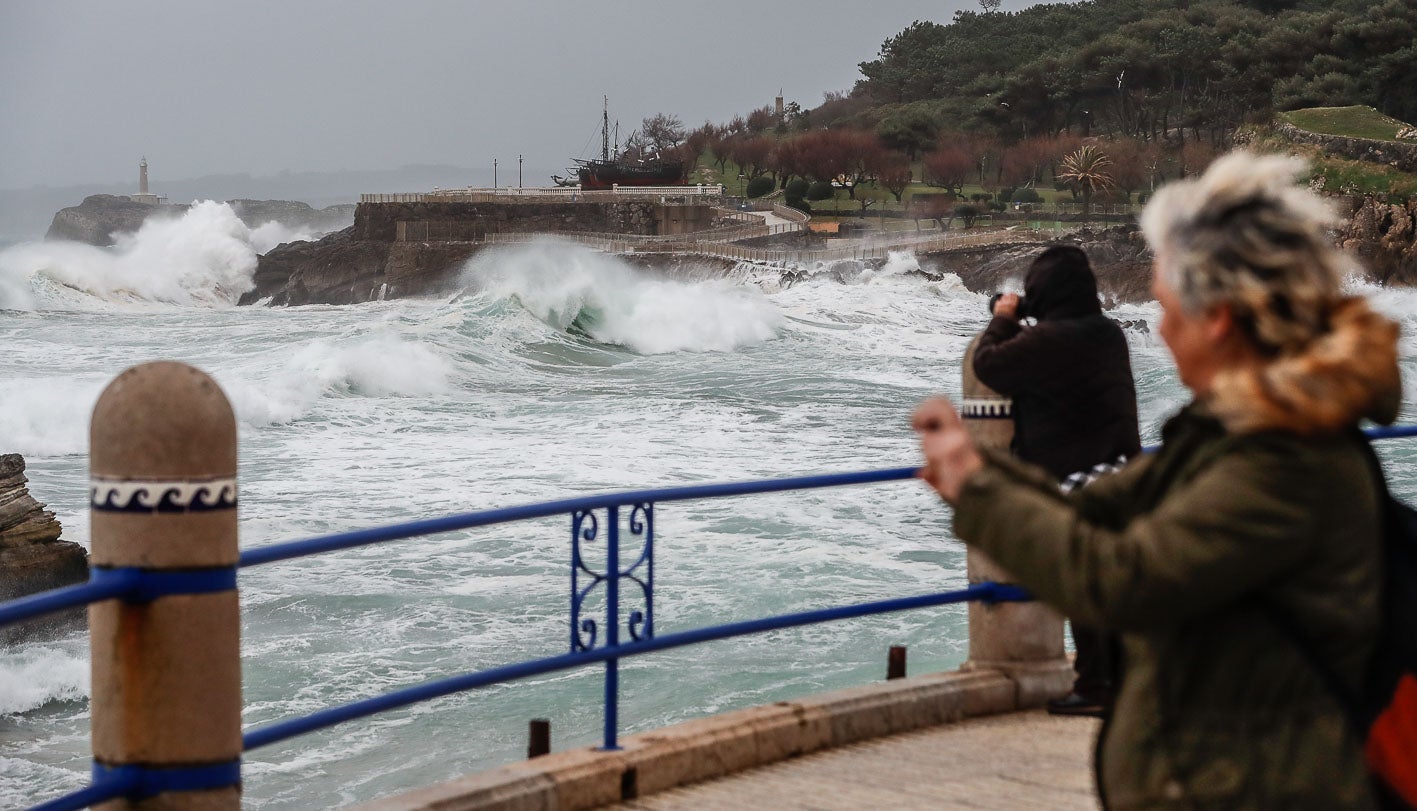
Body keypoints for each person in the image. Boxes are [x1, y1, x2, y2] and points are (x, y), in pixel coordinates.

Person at [914, 151, 1399, 808]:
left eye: (1168, 308)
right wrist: (985, 475)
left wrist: (976, 486)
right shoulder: (1230, 429)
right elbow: (1099, 508)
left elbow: (1123, 579)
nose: (1162, 331)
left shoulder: (1286, 458)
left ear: (1218, 318)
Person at [973, 245, 1141, 717]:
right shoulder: (1107, 333)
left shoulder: (1050, 341)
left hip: (1075, 481)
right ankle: (1117, 683)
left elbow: (989, 364)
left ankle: (1095, 688)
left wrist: (1004, 318)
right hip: (1122, 475)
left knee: (1083, 593)